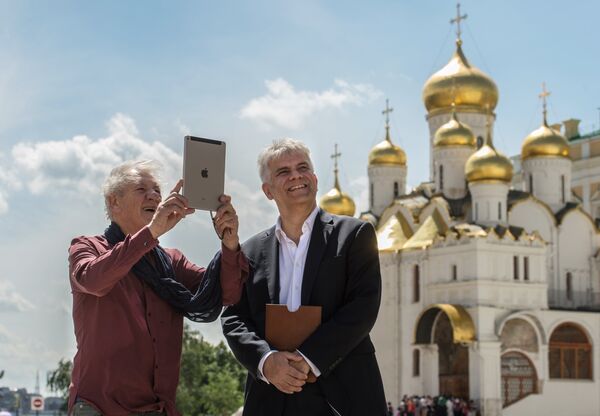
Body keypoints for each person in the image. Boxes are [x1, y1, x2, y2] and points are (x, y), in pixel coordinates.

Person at [68, 160, 248, 416]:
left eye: (157, 191)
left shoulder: (170, 261)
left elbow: (226, 293)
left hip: (158, 408)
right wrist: (150, 233)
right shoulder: (88, 247)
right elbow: (94, 281)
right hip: (100, 406)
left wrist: (230, 242)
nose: (153, 195)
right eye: (141, 189)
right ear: (113, 202)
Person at [221, 139, 386, 415]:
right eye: (283, 172)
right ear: (267, 190)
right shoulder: (249, 251)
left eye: (302, 167)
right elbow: (234, 316)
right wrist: (266, 361)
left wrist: (309, 358)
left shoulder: (355, 235)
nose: (296, 175)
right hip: (272, 396)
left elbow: (363, 306)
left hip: (343, 393)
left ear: (315, 178)